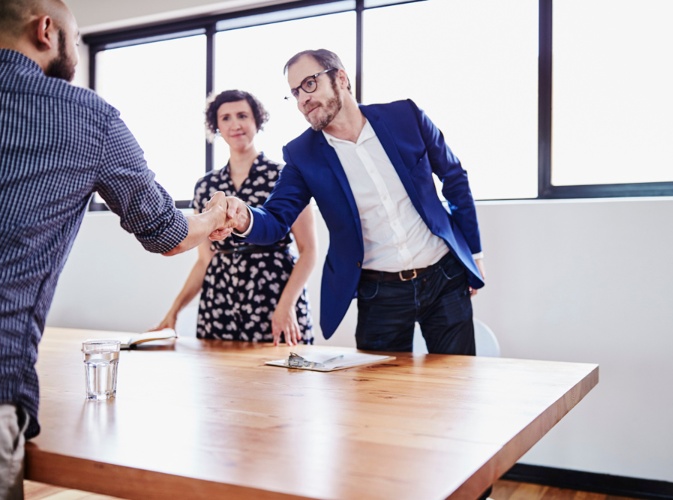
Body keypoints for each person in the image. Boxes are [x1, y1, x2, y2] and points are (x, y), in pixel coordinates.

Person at [0, 0, 235, 496]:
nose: (79, 51)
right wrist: (214, 217)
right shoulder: (82, 116)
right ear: (46, 30)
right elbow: (166, 233)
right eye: (76, 36)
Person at [214, 48, 486, 355]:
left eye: (309, 84)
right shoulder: (302, 155)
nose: (303, 99)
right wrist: (243, 217)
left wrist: (473, 253)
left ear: (340, 78)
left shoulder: (406, 117)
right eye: (295, 92)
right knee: (379, 398)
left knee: (458, 389)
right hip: (379, 293)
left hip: (444, 277)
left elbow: (454, 178)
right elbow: (276, 219)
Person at [152, 90, 316, 345]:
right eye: (226, 118)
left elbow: (309, 251)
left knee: (283, 381)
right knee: (218, 381)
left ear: (257, 121)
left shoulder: (284, 175)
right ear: (216, 126)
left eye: (242, 115)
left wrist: (286, 305)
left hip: (274, 295)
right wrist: (173, 312)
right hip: (220, 300)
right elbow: (205, 260)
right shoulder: (206, 185)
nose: (235, 124)